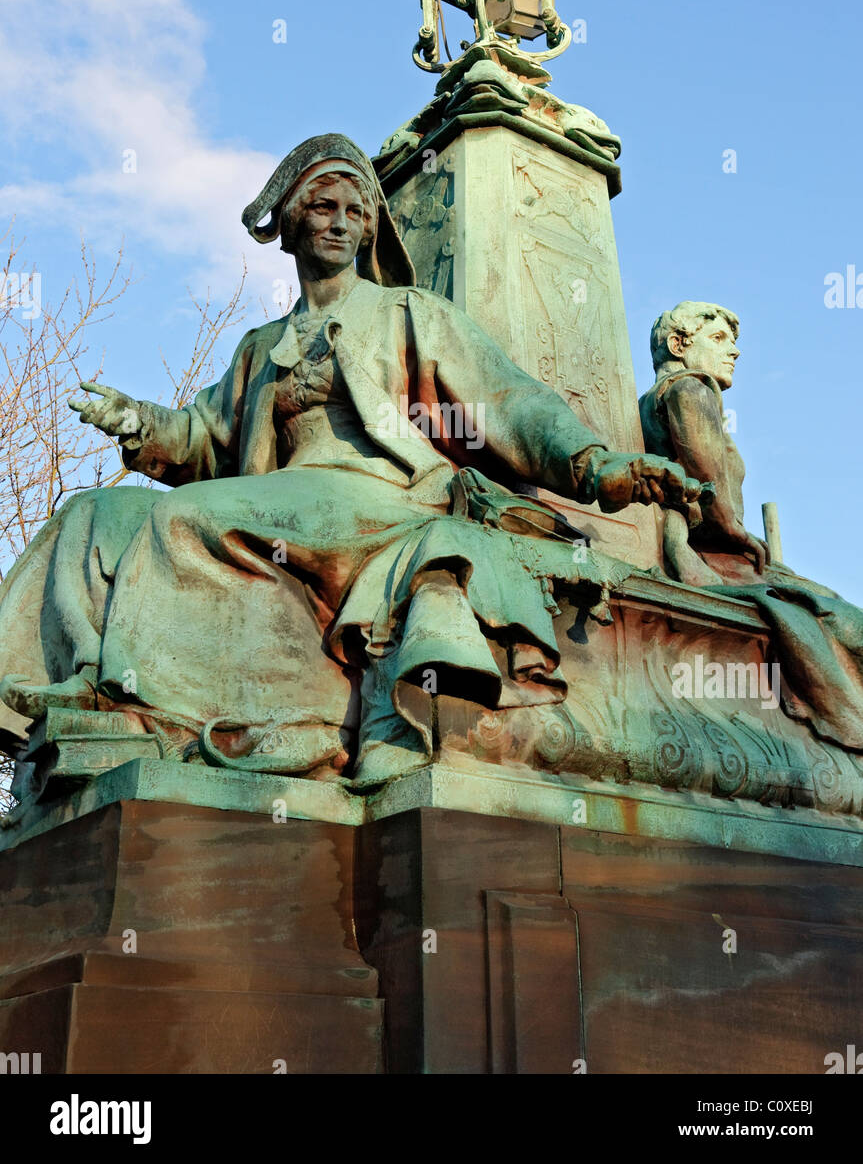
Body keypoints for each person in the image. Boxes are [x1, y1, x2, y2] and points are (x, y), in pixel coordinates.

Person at [0, 136, 702, 783]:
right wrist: (134, 420)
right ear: (293, 226)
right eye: (321, 208)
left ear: (369, 228)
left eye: (353, 211)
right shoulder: (259, 345)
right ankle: (80, 686)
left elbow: (507, 403)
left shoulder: (405, 310)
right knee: (95, 512)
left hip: (379, 494)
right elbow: (204, 439)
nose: (338, 222)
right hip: (283, 495)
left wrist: (596, 466)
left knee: (185, 519)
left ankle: (153, 715)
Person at [640, 299, 863, 750]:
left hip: (710, 547)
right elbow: (708, 487)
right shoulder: (691, 389)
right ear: (679, 344)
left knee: (828, 604)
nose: (734, 351)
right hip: (715, 554)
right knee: (838, 617)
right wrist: (743, 537)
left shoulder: (651, 399)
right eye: (719, 339)